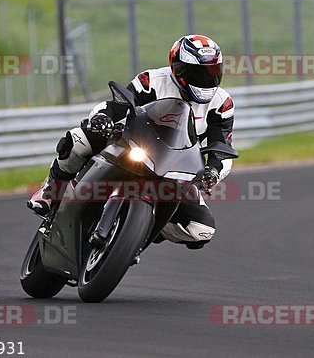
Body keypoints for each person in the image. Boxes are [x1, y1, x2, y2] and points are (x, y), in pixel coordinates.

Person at [27, 34, 235, 249]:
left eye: (211, 72)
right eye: (198, 73)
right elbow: (117, 105)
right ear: (178, 68)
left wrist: (213, 172)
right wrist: (101, 118)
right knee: (78, 139)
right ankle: (52, 190)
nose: (205, 79)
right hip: (133, 143)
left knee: (200, 230)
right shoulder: (151, 81)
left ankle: (142, 228)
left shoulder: (222, 103)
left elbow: (223, 147)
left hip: (176, 168)